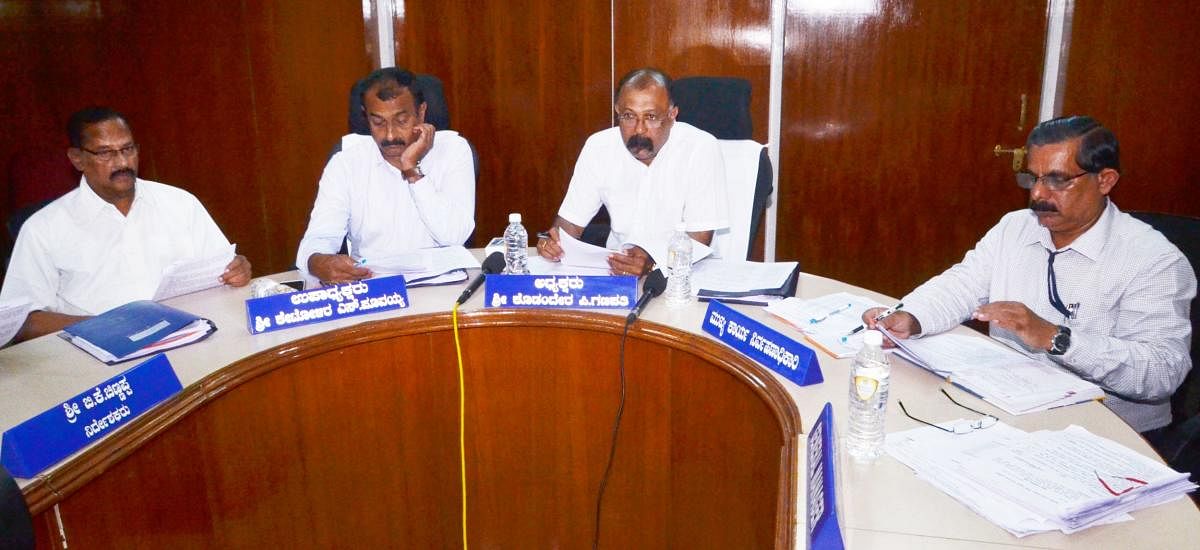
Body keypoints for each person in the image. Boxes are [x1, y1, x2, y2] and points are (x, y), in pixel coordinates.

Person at [865, 116, 1195, 433]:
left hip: (1107, 430)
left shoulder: (1155, 261)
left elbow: (1162, 372)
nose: (1038, 194)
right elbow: (963, 284)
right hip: (1010, 408)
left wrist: (1057, 338)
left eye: (1057, 179)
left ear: (1105, 180)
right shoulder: (1016, 226)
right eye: (1033, 178)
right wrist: (912, 315)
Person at [1, 107, 251, 342]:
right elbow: (23, 321)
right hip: (94, 355)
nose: (122, 163)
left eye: (128, 149)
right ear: (77, 159)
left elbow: (225, 268)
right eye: (105, 153)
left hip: (187, 337)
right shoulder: (44, 228)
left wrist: (238, 270)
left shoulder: (180, 203)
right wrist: (103, 326)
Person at [537, 68, 728, 276]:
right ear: (617, 111)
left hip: (688, 273)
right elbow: (570, 223)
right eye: (629, 116)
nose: (639, 129)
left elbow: (699, 237)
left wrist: (653, 262)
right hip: (618, 270)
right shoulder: (598, 147)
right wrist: (553, 240)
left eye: (651, 117)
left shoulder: (700, 148)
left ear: (672, 115)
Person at [296, 67, 475, 283]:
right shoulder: (346, 163)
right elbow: (318, 239)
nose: (390, 135)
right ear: (365, 116)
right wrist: (318, 262)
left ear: (421, 112)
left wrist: (412, 170)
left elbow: (454, 236)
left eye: (401, 120)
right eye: (378, 122)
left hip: (443, 286)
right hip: (373, 287)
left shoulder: (453, 150)